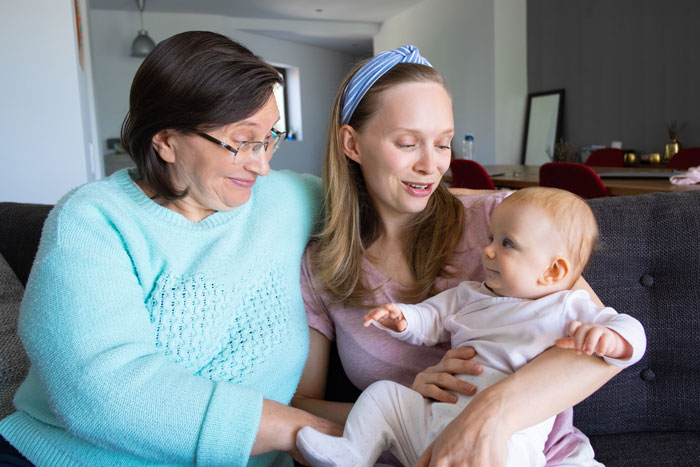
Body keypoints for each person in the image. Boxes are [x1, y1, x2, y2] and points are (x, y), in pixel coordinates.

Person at [0, 31, 340, 466]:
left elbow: (382, 204)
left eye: (270, 137)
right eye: (242, 140)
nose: (262, 163)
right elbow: (103, 394)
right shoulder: (93, 220)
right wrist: (305, 431)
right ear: (166, 141)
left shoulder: (285, 200)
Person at [291, 45, 625, 467]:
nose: (432, 166)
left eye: (444, 143)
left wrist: (487, 416)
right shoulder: (322, 265)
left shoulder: (503, 223)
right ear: (352, 144)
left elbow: (601, 351)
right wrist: (411, 403)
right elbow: (303, 403)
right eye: (408, 143)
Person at [295, 187, 646, 467]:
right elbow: (430, 318)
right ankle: (354, 453)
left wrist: (612, 338)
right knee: (383, 396)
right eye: (491, 238)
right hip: (435, 420)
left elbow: (631, 330)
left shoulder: (566, 306)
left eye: (506, 244)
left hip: (511, 434)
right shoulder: (469, 295)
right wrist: (403, 319)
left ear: (552, 272)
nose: (488, 251)